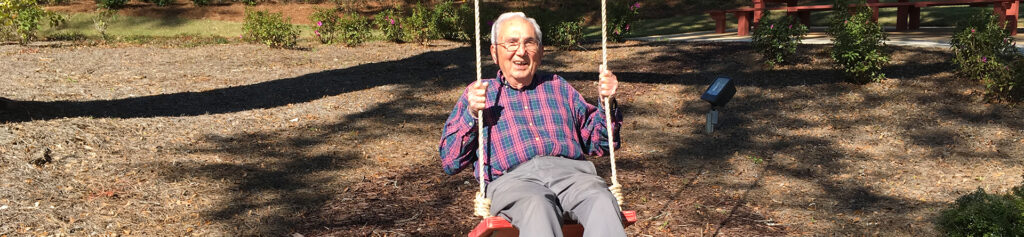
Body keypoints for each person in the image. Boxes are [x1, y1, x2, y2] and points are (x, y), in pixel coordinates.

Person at [439, 12, 625, 237]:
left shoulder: (558, 86)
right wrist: (471, 114)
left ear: (541, 52)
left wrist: (607, 103)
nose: (521, 51)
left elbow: (600, 143)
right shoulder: (480, 94)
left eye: (530, 42)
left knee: (601, 199)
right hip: (514, 181)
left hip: (572, 175)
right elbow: (450, 161)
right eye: (511, 43)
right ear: (494, 53)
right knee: (537, 204)